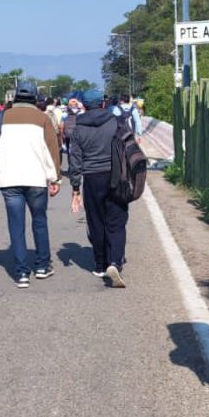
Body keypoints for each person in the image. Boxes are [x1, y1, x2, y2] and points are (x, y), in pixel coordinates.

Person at [0, 82, 61, 288]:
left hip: (10, 181)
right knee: (39, 221)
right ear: (35, 98)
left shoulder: (0, 118)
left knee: (16, 226)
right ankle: (42, 266)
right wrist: (55, 179)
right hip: (36, 180)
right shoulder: (43, 119)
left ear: (15, 98)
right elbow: (52, 152)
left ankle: (22, 273)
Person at [66, 101, 130, 288]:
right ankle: (115, 262)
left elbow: (75, 159)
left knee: (96, 221)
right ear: (102, 103)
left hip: (92, 178)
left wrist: (75, 187)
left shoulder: (79, 128)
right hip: (116, 176)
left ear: (84, 106)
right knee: (117, 221)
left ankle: (101, 264)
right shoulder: (115, 122)